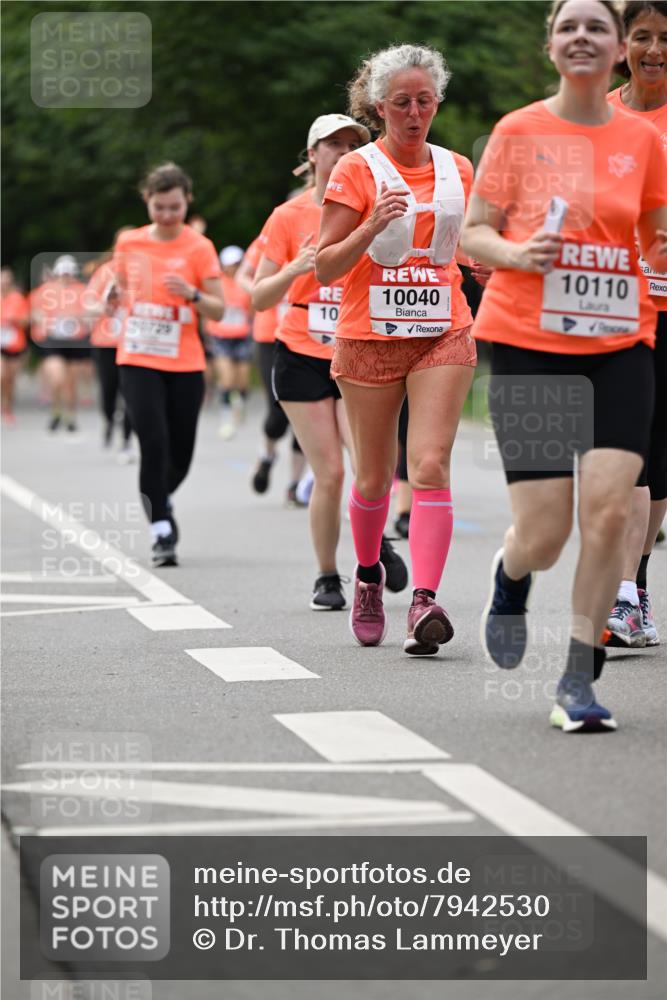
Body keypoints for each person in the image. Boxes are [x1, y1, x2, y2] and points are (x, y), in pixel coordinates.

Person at [460, 0, 667, 731]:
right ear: (551, 46)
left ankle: (578, 676)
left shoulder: (641, 140)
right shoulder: (519, 131)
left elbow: (653, 235)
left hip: (618, 344)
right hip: (528, 342)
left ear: (615, 51)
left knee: (610, 511)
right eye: (568, 25)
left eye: (596, 26)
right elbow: (474, 232)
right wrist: (516, 255)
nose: (582, 35)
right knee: (544, 534)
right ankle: (510, 576)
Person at [317, 45, 477, 652]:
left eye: (425, 101)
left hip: (444, 330)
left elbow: (462, 245)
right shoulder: (356, 169)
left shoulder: (458, 167)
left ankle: (425, 603)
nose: (414, 113)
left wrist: (479, 261)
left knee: (431, 464)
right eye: (402, 103)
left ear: (437, 103)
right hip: (369, 337)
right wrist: (369, 226)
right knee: (375, 477)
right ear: (380, 106)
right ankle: (366, 576)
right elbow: (326, 268)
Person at [253, 113, 408, 610]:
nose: (343, 151)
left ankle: (374, 540)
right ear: (312, 154)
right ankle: (326, 576)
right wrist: (298, 268)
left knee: (370, 468)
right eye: (333, 144)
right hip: (300, 350)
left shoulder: (372, 210)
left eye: (352, 144)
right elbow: (258, 297)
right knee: (330, 474)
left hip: (356, 347)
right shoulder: (287, 216)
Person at [112, 162, 224, 566]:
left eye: (175, 207)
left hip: (185, 360)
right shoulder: (129, 243)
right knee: (153, 443)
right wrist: (110, 295)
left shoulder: (199, 247)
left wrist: (192, 293)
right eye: (159, 207)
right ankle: (160, 528)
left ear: (187, 201)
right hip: (138, 356)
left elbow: (219, 309)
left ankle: (161, 496)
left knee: (181, 452)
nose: (167, 215)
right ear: (147, 201)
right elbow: (114, 291)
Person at [604, 0, 667, 647]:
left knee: (657, 464)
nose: (653, 49)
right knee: (627, 456)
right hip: (614, 312)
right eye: (641, 37)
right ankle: (621, 594)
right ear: (623, 45)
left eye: (664, 39)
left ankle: (633, 588)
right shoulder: (598, 115)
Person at [236, 222, 307, 502]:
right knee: (278, 409)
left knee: (309, 410)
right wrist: (271, 288)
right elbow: (245, 276)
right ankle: (266, 454)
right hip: (270, 334)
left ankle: (294, 485)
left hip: (313, 333)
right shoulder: (277, 230)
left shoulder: (336, 227)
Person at [29, 254, 93, 433]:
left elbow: (90, 313)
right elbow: (35, 312)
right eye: (62, 273)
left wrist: (76, 317)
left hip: (75, 341)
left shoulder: (82, 290)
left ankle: (70, 415)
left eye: (68, 273)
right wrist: (42, 319)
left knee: (71, 383)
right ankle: (56, 410)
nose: (65, 276)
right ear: (57, 273)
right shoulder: (45, 290)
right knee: (57, 378)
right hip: (53, 340)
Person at [86, 230, 134, 458]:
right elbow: (89, 304)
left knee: (132, 393)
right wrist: (104, 307)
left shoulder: (145, 271)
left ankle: (126, 439)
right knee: (109, 390)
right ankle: (108, 420)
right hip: (106, 341)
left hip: (133, 342)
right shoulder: (105, 271)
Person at [208, 245, 254, 439]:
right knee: (227, 378)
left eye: (236, 264)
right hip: (220, 335)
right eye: (230, 265)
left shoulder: (246, 282)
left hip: (242, 335)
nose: (233, 268)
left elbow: (252, 309)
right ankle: (226, 419)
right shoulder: (216, 282)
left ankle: (239, 404)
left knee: (242, 380)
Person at [0, 267, 29, 425]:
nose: (4, 283)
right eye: (1, 280)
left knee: (10, 379)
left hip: (14, 345)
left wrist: (14, 319)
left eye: (7, 280)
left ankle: (8, 407)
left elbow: (26, 322)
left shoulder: (18, 298)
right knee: (1, 374)